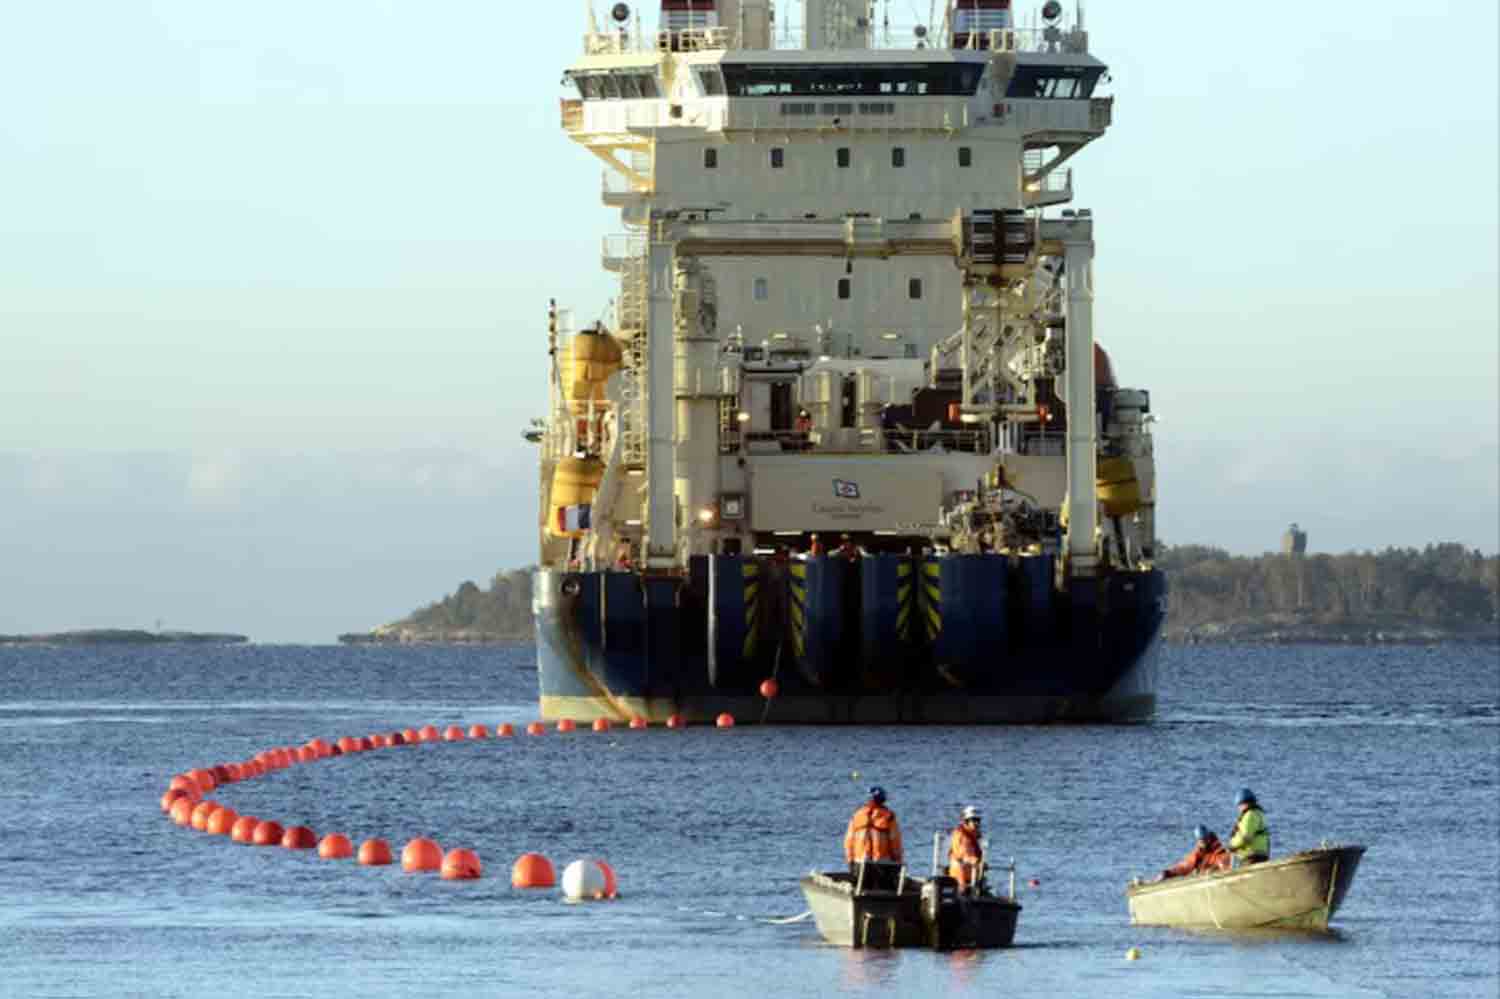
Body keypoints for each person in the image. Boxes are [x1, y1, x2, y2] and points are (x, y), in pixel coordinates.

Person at [844, 786, 903, 875]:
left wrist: (850, 861)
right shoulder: (889, 817)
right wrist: (898, 863)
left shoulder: (857, 815)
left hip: (860, 864)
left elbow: (848, 842)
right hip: (883, 865)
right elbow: (895, 844)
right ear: (883, 799)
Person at [1160, 826, 1231, 880]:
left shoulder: (1220, 851)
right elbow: (1184, 866)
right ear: (1198, 841)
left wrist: (1214, 868)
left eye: (1205, 839)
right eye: (1201, 840)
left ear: (1209, 838)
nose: (1203, 842)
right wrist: (1168, 873)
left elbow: (1225, 862)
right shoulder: (1197, 855)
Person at [947, 805, 985, 893]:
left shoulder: (972, 836)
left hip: (970, 877)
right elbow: (963, 854)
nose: (976, 823)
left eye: (978, 820)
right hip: (960, 878)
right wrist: (976, 861)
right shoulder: (961, 836)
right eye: (973, 820)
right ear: (967, 821)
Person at [1228, 788, 1270, 865]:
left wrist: (1232, 845)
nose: (1239, 808)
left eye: (1239, 805)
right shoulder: (1259, 813)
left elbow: (1245, 837)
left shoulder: (1249, 815)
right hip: (1262, 854)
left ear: (1244, 803)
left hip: (1251, 856)